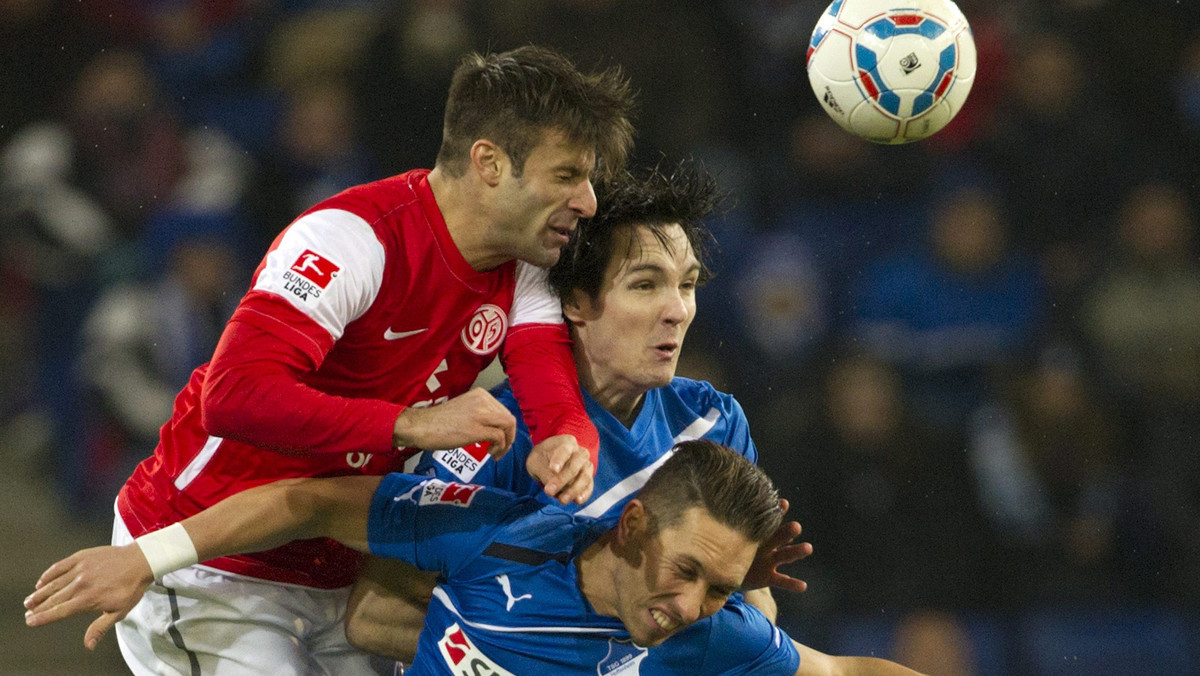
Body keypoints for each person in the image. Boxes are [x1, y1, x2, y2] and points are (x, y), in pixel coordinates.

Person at [104, 44, 634, 674]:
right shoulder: (351, 239)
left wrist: (568, 442)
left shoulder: (526, 267)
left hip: (337, 573)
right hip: (204, 560)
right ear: (489, 162)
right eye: (568, 175)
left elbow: (550, 391)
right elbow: (234, 396)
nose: (588, 202)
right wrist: (408, 424)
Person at [344, 161, 810, 664]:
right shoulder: (495, 437)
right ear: (577, 301)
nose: (676, 309)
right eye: (646, 285)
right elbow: (374, 615)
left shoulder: (714, 423)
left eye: (688, 285)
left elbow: (749, 608)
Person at [26, 440, 927, 676]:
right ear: (634, 527)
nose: (693, 605)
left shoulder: (703, 641)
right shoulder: (493, 534)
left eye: (721, 588)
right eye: (688, 572)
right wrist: (150, 554)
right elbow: (307, 502)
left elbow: (841, 669)